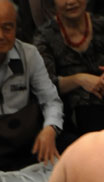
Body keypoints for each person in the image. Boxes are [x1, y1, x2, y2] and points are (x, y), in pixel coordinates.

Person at [34, 0, 104, 139]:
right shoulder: (44, 36)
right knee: (93, 120)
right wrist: (79, 79)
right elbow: (45, 86)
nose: (70, 2)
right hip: (78, 104)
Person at [0, 0, 63, 171]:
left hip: (24, 140)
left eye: (7, 28)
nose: (1, 36)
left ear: (16, 29)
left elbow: (51, 100)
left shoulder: (29, 54)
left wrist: (50, 128)